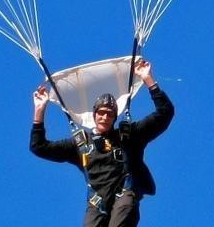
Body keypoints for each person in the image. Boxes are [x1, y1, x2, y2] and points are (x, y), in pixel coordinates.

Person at [30, 59, 173, 227]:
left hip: (125, 197)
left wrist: (148, 79)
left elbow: (165, 112)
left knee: (123, 210)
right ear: (95, 114)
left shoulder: (129, 136)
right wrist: (39, 110)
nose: (105, 117)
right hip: (97, 204)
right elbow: (39, 147)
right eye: (102, 113)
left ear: (114, 117)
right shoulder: (80, 145)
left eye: (110, 114)